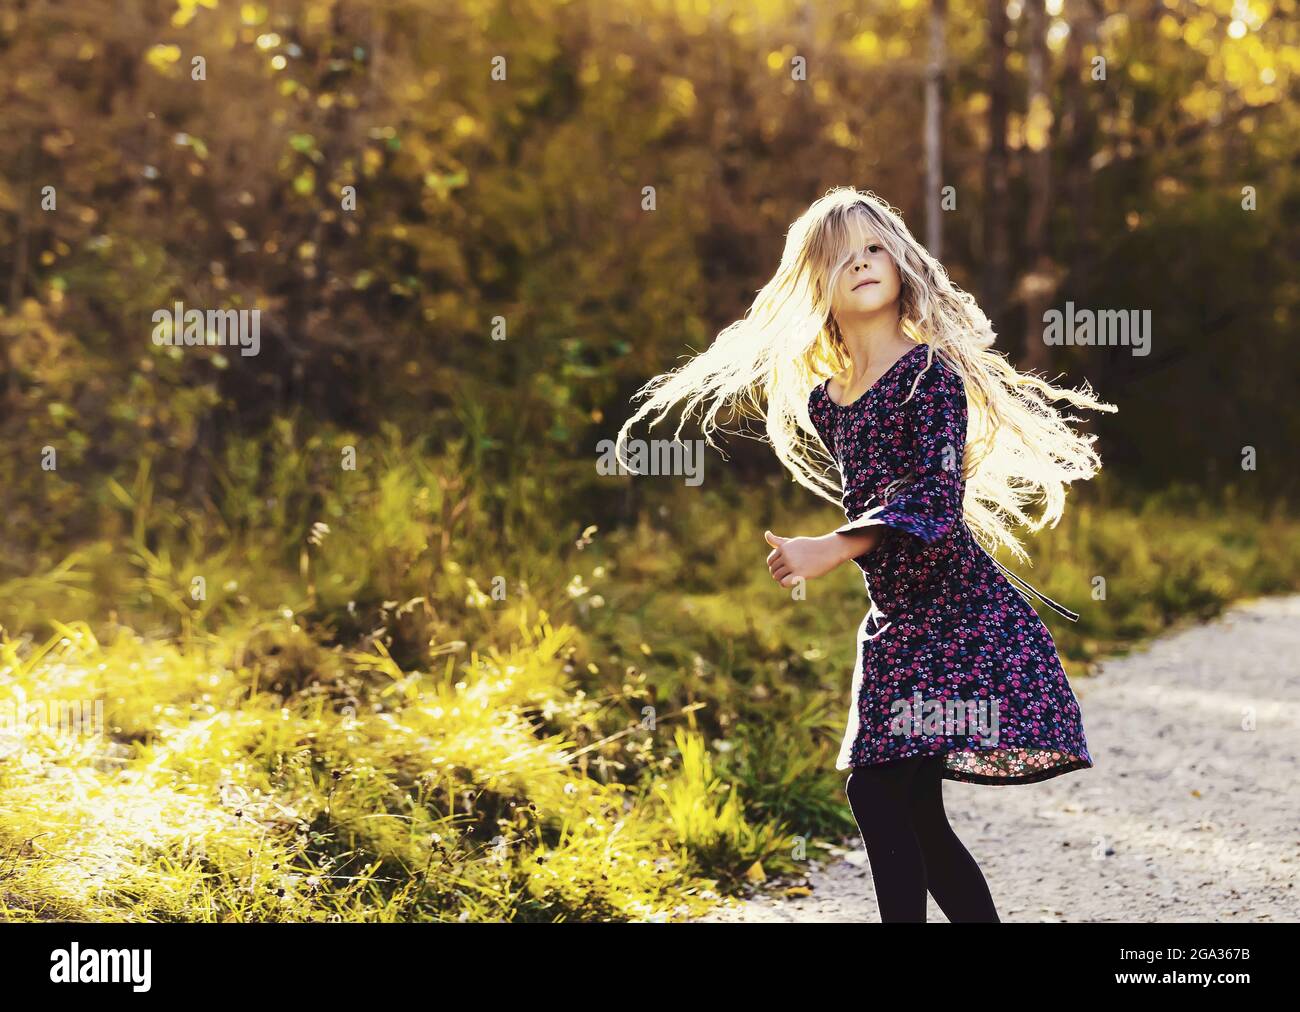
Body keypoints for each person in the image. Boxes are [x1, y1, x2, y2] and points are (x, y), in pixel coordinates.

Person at [617, 187, 1116, 922]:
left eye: (874, 247)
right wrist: (840, 549)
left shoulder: (930, 377)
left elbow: (935, 503)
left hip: (957, 615)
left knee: (880, 792)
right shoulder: (831, 400)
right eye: (839, 255)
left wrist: (834, 547)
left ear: (903, 262)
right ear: (815, 283)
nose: (860, 262)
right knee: (907, 807)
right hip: (896, 622)